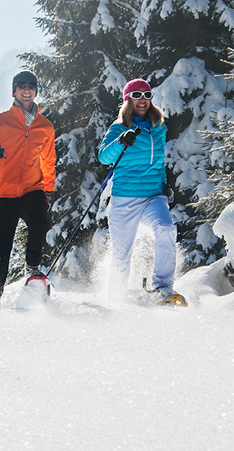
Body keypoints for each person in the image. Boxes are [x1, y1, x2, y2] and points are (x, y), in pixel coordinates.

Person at [0, 70, 57, 308]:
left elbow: (48, 162)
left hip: (33, 188)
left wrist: (47, 190)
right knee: (0, 256)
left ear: (36, 90)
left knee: (39, 222)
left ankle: (33, 268)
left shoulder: (45, 127)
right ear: (14, 91)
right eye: (22, 86)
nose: (27, 90)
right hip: (4, 194)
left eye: (31, 86)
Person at [97, 78, 177, 303]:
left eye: (147, 95)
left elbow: (158, 161)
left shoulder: (158, 127)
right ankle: (116, 299)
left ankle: (163, 286)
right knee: (122, 256)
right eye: (137, 95)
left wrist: (164, 185)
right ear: (128, 99)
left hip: (153, 195)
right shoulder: (118, 127)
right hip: (125, 197)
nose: (143, 100)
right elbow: (104, 157)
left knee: (166, 228)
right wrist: (121, 141)